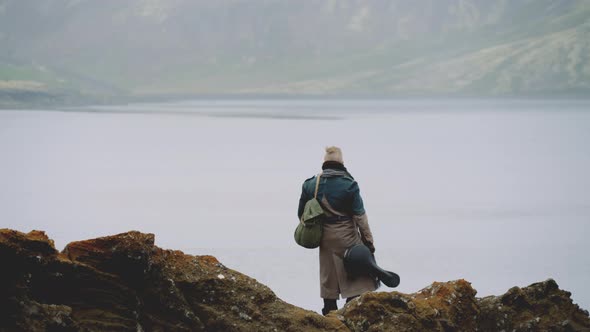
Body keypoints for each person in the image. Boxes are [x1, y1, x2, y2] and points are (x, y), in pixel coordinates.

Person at [298, 146, 377, 315]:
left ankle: (329, 312)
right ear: (342, 163)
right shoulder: (349, 185)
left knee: (328, 276)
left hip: (324, 238)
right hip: (347, 235)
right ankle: (350, 308)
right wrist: (369, 242)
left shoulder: (310, 184)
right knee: (359, 273)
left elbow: (301, 214)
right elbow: (360, 218)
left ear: (324, 163)